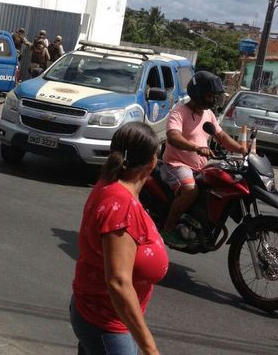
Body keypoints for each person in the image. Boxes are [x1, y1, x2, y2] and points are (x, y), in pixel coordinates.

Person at [71, 122, 168, 355]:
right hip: (105, 322)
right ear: (152, 162)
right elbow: (118, 282)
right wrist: (150, 348)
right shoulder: (121, 207)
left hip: (100, 315)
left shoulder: (110, 185)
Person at [160, 71, 247, 248]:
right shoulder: (179, 112)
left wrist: (241, 149)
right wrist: (197, 148)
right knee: (191, 191)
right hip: (176, 165)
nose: (212, 100)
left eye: (214, 96)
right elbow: (173, 137)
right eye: (209, 95)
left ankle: (198, 222)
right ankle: (168, 229)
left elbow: (221, 136)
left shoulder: (208, 115)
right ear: (198, 93)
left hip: (198, 167)